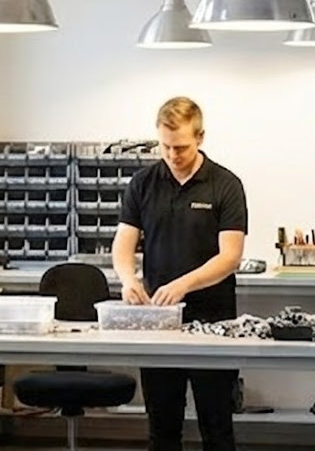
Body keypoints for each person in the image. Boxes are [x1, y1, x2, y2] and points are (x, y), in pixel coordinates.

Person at [111, 96, 248, 451]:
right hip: (159, 322)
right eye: (166, 146)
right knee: (162, 427)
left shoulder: (225, 185)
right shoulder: (143, 183)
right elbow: (123, 246)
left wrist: (183, 284)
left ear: (200, 137)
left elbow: (230, 256)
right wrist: (128, 279)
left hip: (213, 323)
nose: (173, 155)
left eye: (182, 147)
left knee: (217, 426)